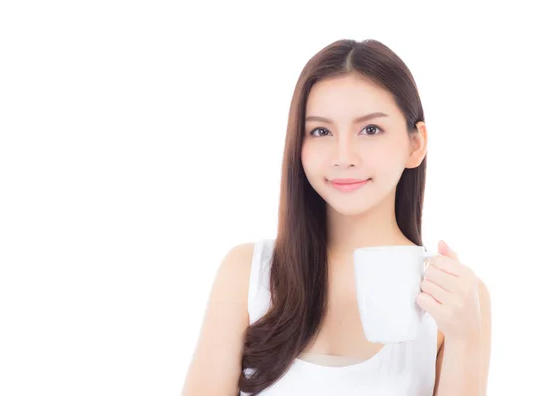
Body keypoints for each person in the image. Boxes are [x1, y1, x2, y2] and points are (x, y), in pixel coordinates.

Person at [181, 38, 492, 396]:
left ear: (415, 144)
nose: (343, 156)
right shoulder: (248, 274)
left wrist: (465, 339)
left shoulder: (455, 299)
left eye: (370, 129)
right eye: (321, 131)